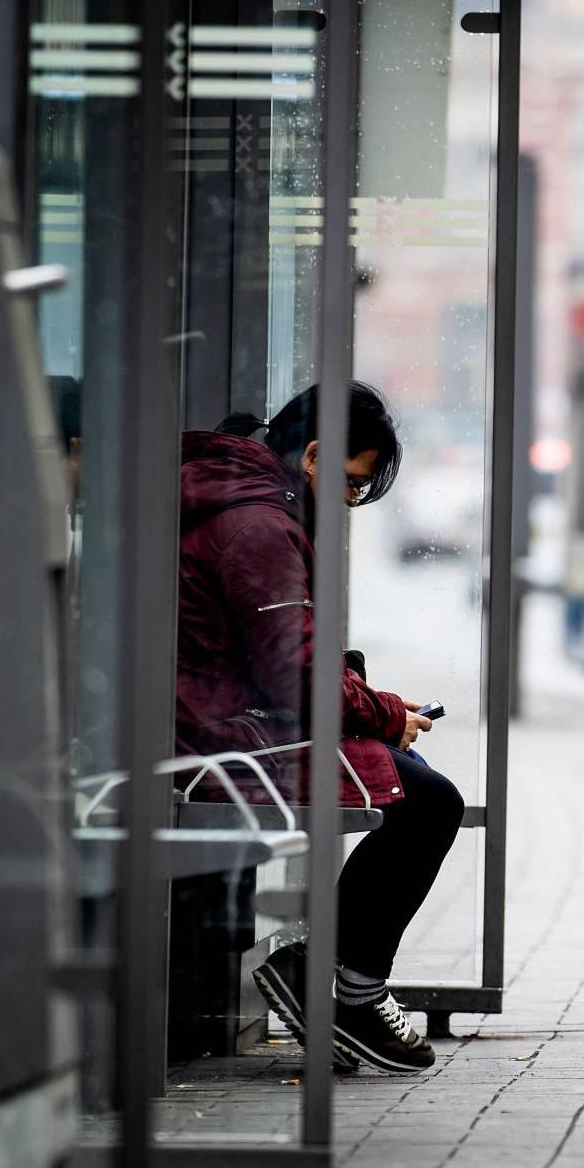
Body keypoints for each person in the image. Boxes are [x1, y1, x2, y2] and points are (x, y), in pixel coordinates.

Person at [175, 382, 464, 1073]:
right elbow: (297, 675)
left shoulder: (241, 497)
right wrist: (386, 713)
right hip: (216, 741)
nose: (349, 500)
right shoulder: (259, 525)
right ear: (311, 456)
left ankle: (331, 974)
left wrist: (378, 706)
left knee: (416, 785)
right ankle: (347, 987)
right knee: (428, 803)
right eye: (353, 482)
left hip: (217, 722)